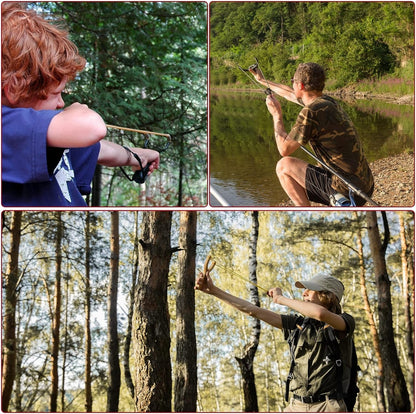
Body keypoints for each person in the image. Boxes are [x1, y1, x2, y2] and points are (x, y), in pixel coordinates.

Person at [1, 3, 160, 207]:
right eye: (56, 94)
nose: (61, 102)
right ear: (14, 89)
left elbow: (101, 150)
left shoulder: (46, 138)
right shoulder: (6, 127)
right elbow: (92, 128)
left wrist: (139, 156)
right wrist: (77, 110)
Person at [195, 270, 355, 412]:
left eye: (310, 289)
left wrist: (280, 299)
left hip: (327, 406)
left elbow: (320, 314)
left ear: (328, 296)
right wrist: (214, 291)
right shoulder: (298, 325)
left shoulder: (344, 322)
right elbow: (253, 310)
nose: (304, 293)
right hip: (296, 406)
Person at [249, 62, 374, 207]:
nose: (292, 85)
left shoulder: (310, 113)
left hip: (348, 191)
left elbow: (284, 149)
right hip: (366, 186)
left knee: (283, 166)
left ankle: (304, 210)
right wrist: (262, 81)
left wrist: (276, 115)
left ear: (301, 86)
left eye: (293, 82)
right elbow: (289, 93)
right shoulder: (326, 102)